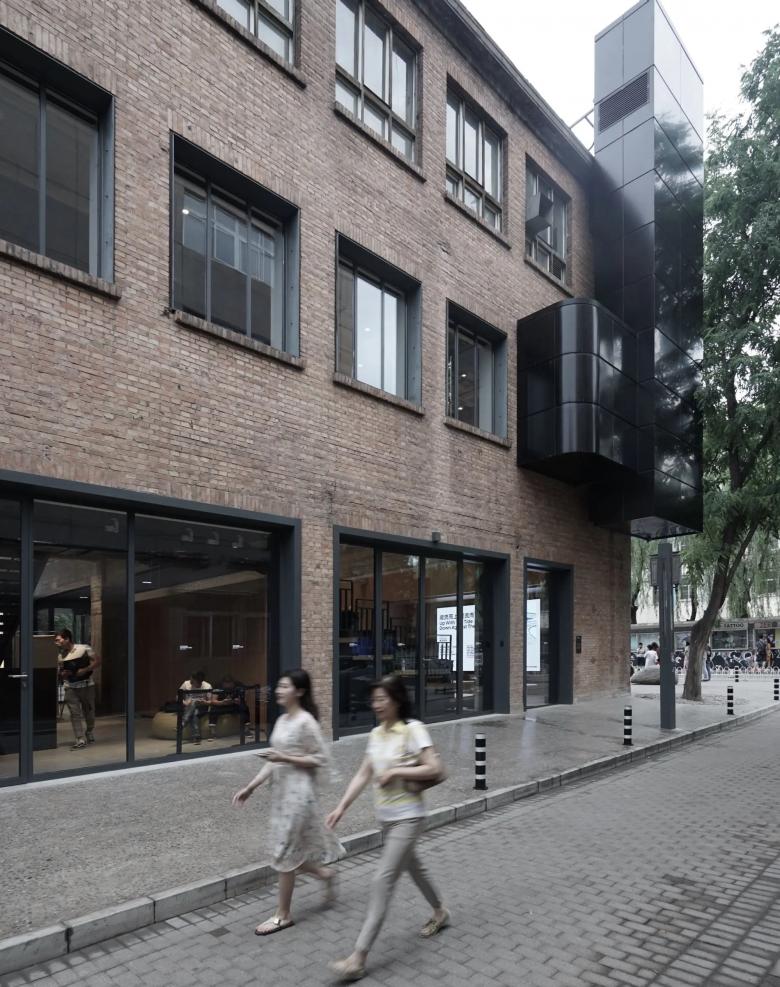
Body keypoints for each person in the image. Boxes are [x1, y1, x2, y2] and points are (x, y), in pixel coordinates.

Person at [326, 674, 449, 982]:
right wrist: (341, 807)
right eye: (374, 699)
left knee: (382, 879)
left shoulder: (412, 729)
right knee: (415, 868)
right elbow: (363, 774)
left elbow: (434, 767)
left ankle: (358, 958)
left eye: (382, 698)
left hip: (409, 817)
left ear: (397, 700)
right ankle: (440, 911)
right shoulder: (376, 734)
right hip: (386, 819)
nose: (376, 704)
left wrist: (396, 770)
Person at [232, 669, 343, 935]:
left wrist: (285, 758)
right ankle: (325, 875)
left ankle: (283, 915)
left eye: (285, 686)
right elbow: (275, 759)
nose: (279, 691)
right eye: (279, 686)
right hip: (282, 795)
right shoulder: (282, 720)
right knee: (286, 852)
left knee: (283, 852)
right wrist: (251, 787)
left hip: (300, 795)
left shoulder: (306, 722)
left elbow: (319, 759)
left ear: (300, 691)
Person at [55, 628, 102, 751]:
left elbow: (98, 661)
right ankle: (80, 739)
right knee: (74, 714)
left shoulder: (84, 648)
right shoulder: (60, 656)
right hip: (70, 687)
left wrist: (85, 670)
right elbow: (61, 673)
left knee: (90, 713)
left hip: (87, 685)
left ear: (67, 639)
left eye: (58, 640)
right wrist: (63, 674)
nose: (57, 642)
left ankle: (89, 731)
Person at [207, 675, 250, 741]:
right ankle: (212, 733)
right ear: (223, 684)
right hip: (222, 705)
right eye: (226, 685)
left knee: (244, 707)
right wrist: (222, 702)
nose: (228, 687)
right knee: (213, 709)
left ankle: (247, 730)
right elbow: (213, 701)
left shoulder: (239, 685)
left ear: (233, 683)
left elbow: (245, 699)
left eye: (230, 685)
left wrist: (238, 701)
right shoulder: (218, 686)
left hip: (234, 705)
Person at [179, 671, 212, 745]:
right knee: (194, 712)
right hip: (188, 706)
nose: (194, 684)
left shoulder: (207, 686)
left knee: (194, 706)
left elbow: (210, 701)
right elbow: (178, 696)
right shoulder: (186, 684)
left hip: (202, 707)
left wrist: (204, 702)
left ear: (201, 681)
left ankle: (183, 722)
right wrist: (184, 702)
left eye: (197, 683)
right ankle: (197, 737)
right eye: (192, 681)